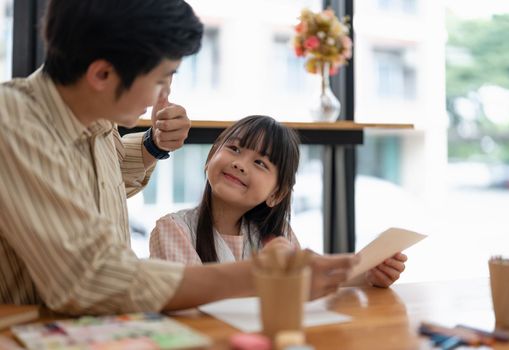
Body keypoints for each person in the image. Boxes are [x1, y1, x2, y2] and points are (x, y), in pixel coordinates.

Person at [0, 0, 357, 315]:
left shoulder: (91, 118)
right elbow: (93, 277)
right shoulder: (13, 124)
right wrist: (261, 276)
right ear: (103, 74)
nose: (166, 93)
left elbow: (87, 180)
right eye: (161, 78)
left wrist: (153, 145)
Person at [150, 115, 407, 288]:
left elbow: (306, 283)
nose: (239, 164)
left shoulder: (276, 234)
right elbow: (189, 298)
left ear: (277, 194)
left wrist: (368, 275)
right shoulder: (173, 229)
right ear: (210, 158)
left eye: (260, 163)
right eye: (234, 149)